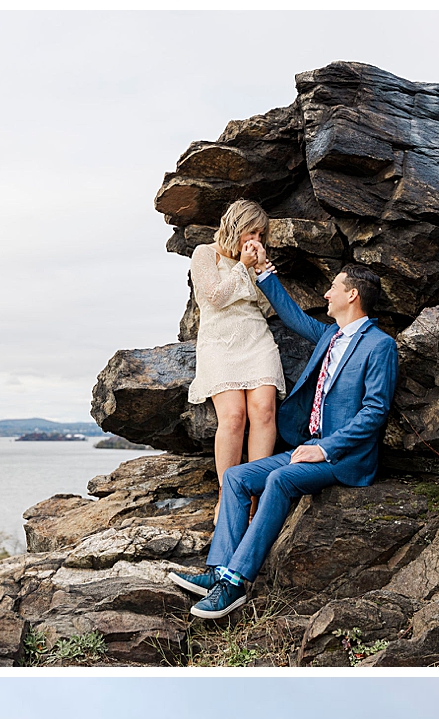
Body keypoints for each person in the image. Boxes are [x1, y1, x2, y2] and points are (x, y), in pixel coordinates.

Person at [168, 259, 399, 623]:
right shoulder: (329, 335)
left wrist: (325, 448)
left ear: (352, 295)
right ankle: (217, 569)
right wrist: (263, 274)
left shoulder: (380, 346)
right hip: (308, 447)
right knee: (236, 477)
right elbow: (292, 316)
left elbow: (374, 412)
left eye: (334, 287)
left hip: (344, 457)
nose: (326, 293)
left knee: (279, 479)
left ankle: (235, 582)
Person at [187, 201, 286, 487]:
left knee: (264, 411)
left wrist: (263, 274)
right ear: (235, 227)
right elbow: (215, 298)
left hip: (256, 340)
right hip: (219, 343)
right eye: (251, 233)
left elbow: (267, 306)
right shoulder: (204, 254)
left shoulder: (254, 263)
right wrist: (243, 267)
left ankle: (255, 497)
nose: (255, 241)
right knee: (233, 417)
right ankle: (227, 496)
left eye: (260, 235)